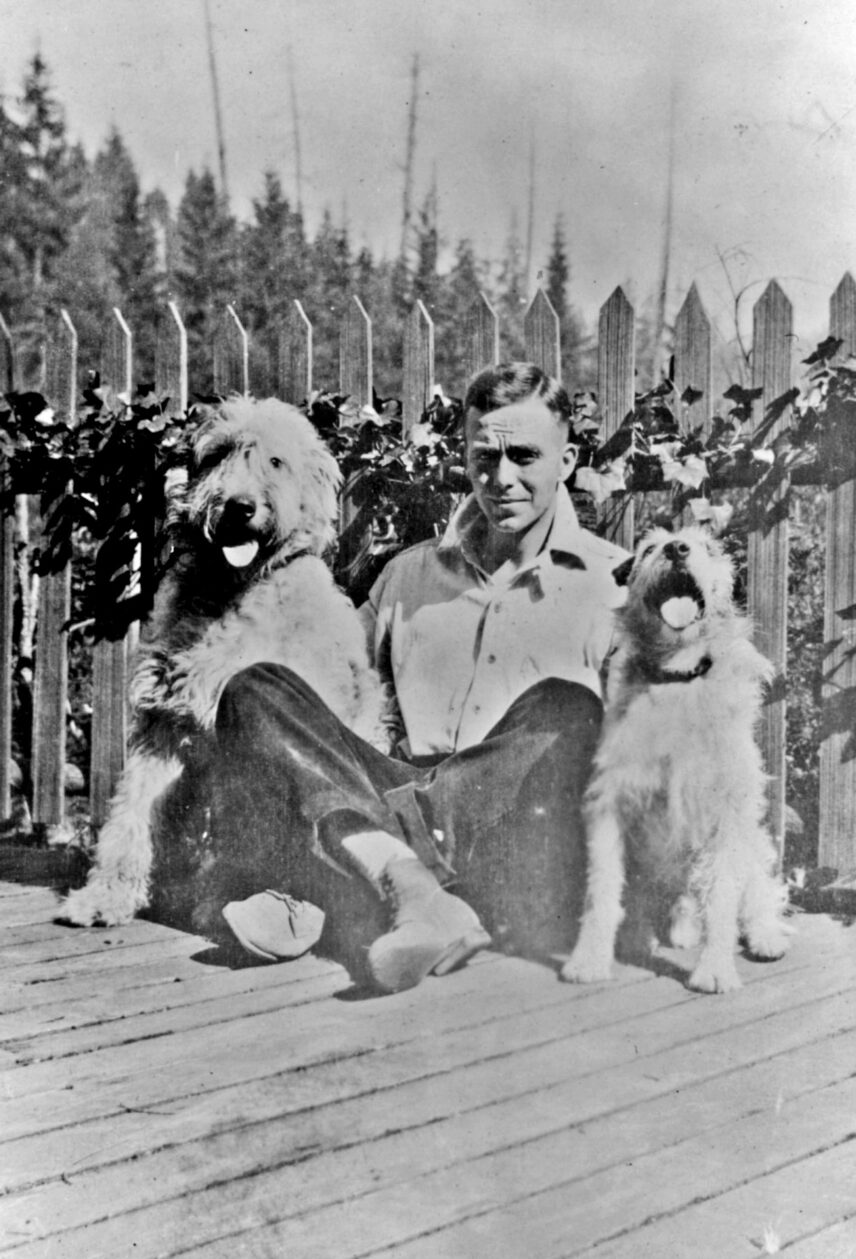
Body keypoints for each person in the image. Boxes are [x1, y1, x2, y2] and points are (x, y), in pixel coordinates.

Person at [208, 362, 628, 993]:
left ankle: (339, 888)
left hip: (511, 836)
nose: (502, 478)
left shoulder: (616, 585)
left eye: (525, 456)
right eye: (484, 456)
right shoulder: (407, 576)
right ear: (464, 455)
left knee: (567, 706)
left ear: (568, 460)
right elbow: (336, 698)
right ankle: (411, 890)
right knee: (256, 688)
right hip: (389, 790)